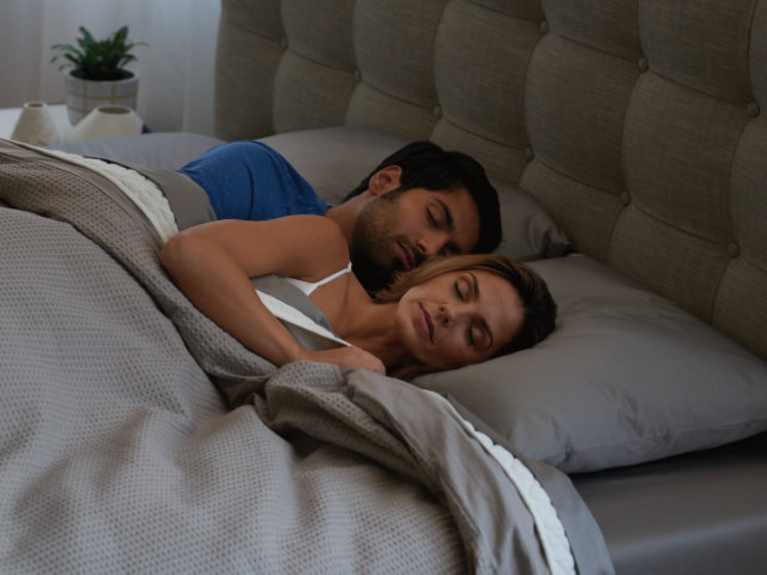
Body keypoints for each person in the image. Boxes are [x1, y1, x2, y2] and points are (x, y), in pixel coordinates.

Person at [160, 214, 557, 378]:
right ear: (440, 270)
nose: (450, 313)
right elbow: (190, 250)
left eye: (474, 334)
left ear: (473, 365)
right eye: (460, 289)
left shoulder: (379, 393)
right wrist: (297, 357)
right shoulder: (324, 250)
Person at [179, 140, 502, 292]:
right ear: (385, 181)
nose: (429, 249)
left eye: (446, 254)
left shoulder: (370, 317)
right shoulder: (258, 176)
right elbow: (158, 230)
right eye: (433, 217)